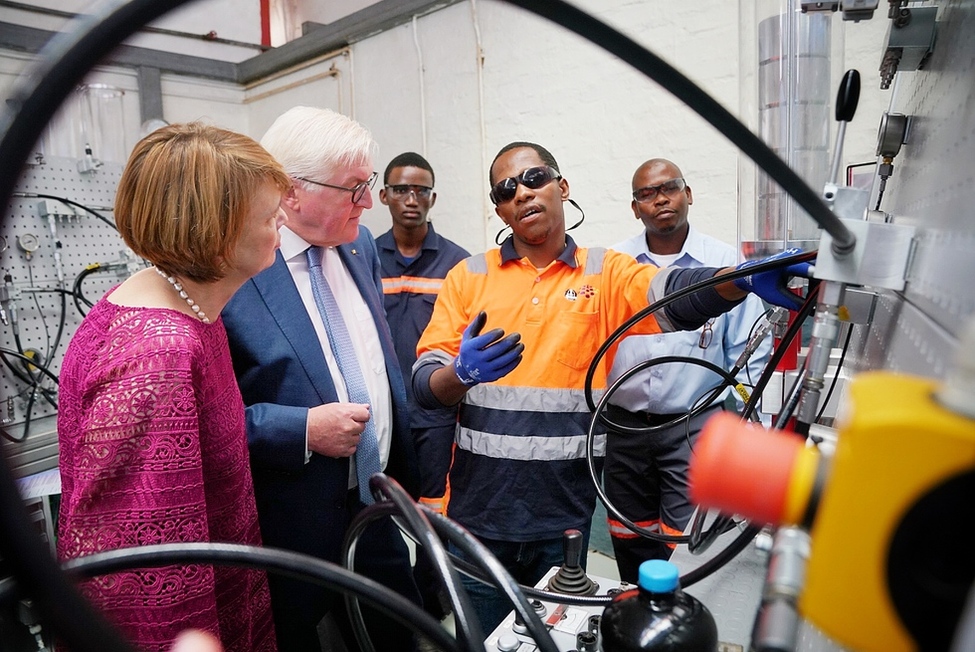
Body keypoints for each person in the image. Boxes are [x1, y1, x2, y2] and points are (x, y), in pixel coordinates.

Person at [412, 141, 809, 631]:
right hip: (478, 518)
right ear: (499, 207)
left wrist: (741, 279)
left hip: (565, 523)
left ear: (562, 186)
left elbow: (673, 295)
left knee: (550, 639)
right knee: (480, 640)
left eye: (535, 179)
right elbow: (425, 388)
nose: (522, 194)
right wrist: (460, 374)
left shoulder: (605, 272)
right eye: (506, 189)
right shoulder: (468, 276)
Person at [56, 122, 291, 652]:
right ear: (216, 229)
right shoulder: (158, 353)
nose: (281, 223)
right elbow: (146, 573)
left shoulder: (186, 312)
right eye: (269, 214)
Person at [221, 106, 422, 652]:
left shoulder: (358, 248)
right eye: (355, 189)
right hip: (289, 521)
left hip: (374, 499)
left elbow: (374, 362)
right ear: (291, 191)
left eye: (369, 185)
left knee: (396, 630)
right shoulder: (235, 271)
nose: (370, 202)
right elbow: (207, 420)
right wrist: (302, 430)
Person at [603, 158, 773, 582]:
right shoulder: (613, 264)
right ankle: (633, 610)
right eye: (646, 194)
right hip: (624, 428)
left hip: (694, 425)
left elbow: (751, 351)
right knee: (627, 532)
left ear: (688, 194)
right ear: (634, 207)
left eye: (670, 188)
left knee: (689, 538)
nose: (660, 199)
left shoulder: (726, 265)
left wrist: (751, 424)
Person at [376, 152, 469, 620]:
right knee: (383, 509)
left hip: (436, 413)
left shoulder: (458, 264)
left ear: (433, 197)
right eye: (401, 189)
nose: (411, 199)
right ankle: (393, 602)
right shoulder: (362, 257)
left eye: (421, 190)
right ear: (383, 196)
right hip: (381, 411)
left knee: (436, 511)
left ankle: (431, 603)